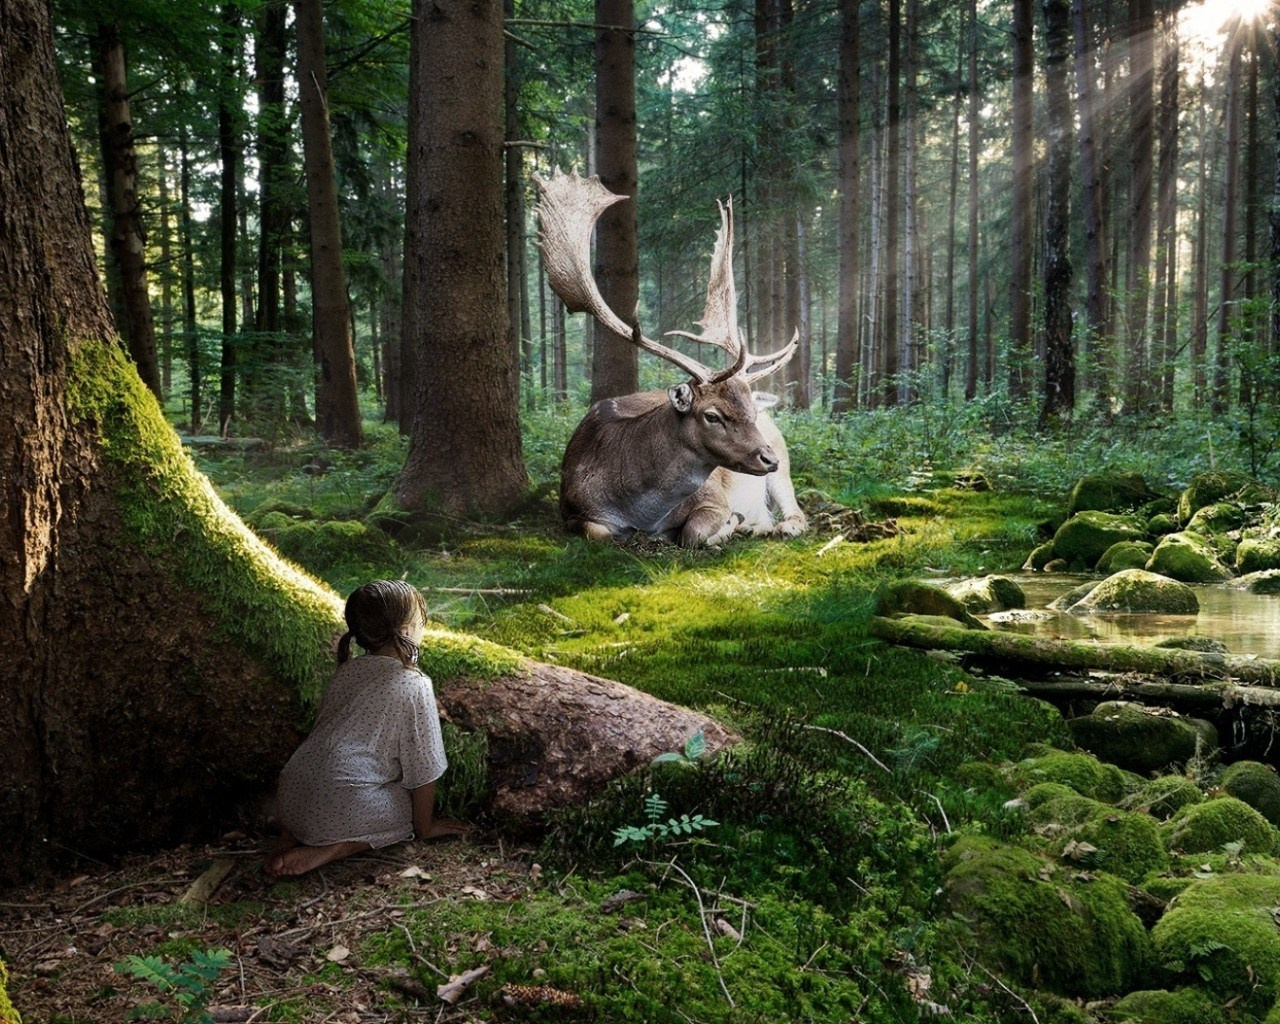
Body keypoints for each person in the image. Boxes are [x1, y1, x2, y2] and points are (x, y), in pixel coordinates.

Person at [266, 580, 466, 877]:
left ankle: (291, 834)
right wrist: (425, 826)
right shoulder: (414, 683)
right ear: (407, 629)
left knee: (335, 788)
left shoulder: (345, 672)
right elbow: (424, 767)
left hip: (290, 792)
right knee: (403, 807)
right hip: (342, 804)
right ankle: (333, 848)